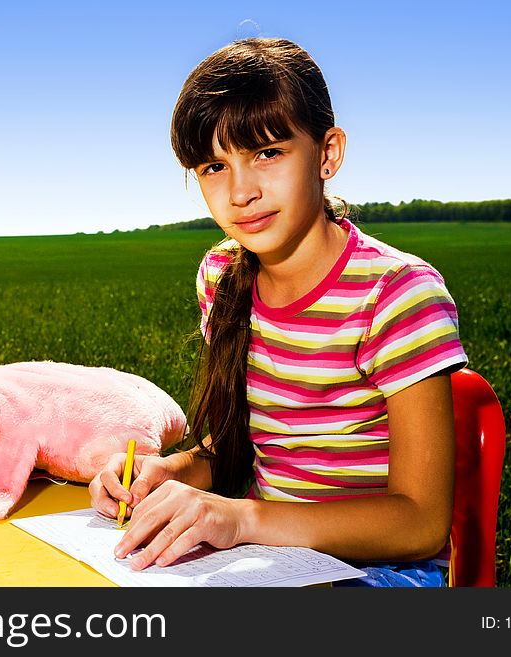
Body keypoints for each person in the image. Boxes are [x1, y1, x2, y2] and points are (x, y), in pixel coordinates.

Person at [89, 37, 468, 587]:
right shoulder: (221, 278)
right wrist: (169, 470)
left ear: (327, 154)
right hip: (267, 557)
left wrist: (243, 518)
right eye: (213, 166)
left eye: (267, 153)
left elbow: (421, 523)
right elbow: (241, 444)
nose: (240, 192)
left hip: (384, 571)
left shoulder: (396, 294)